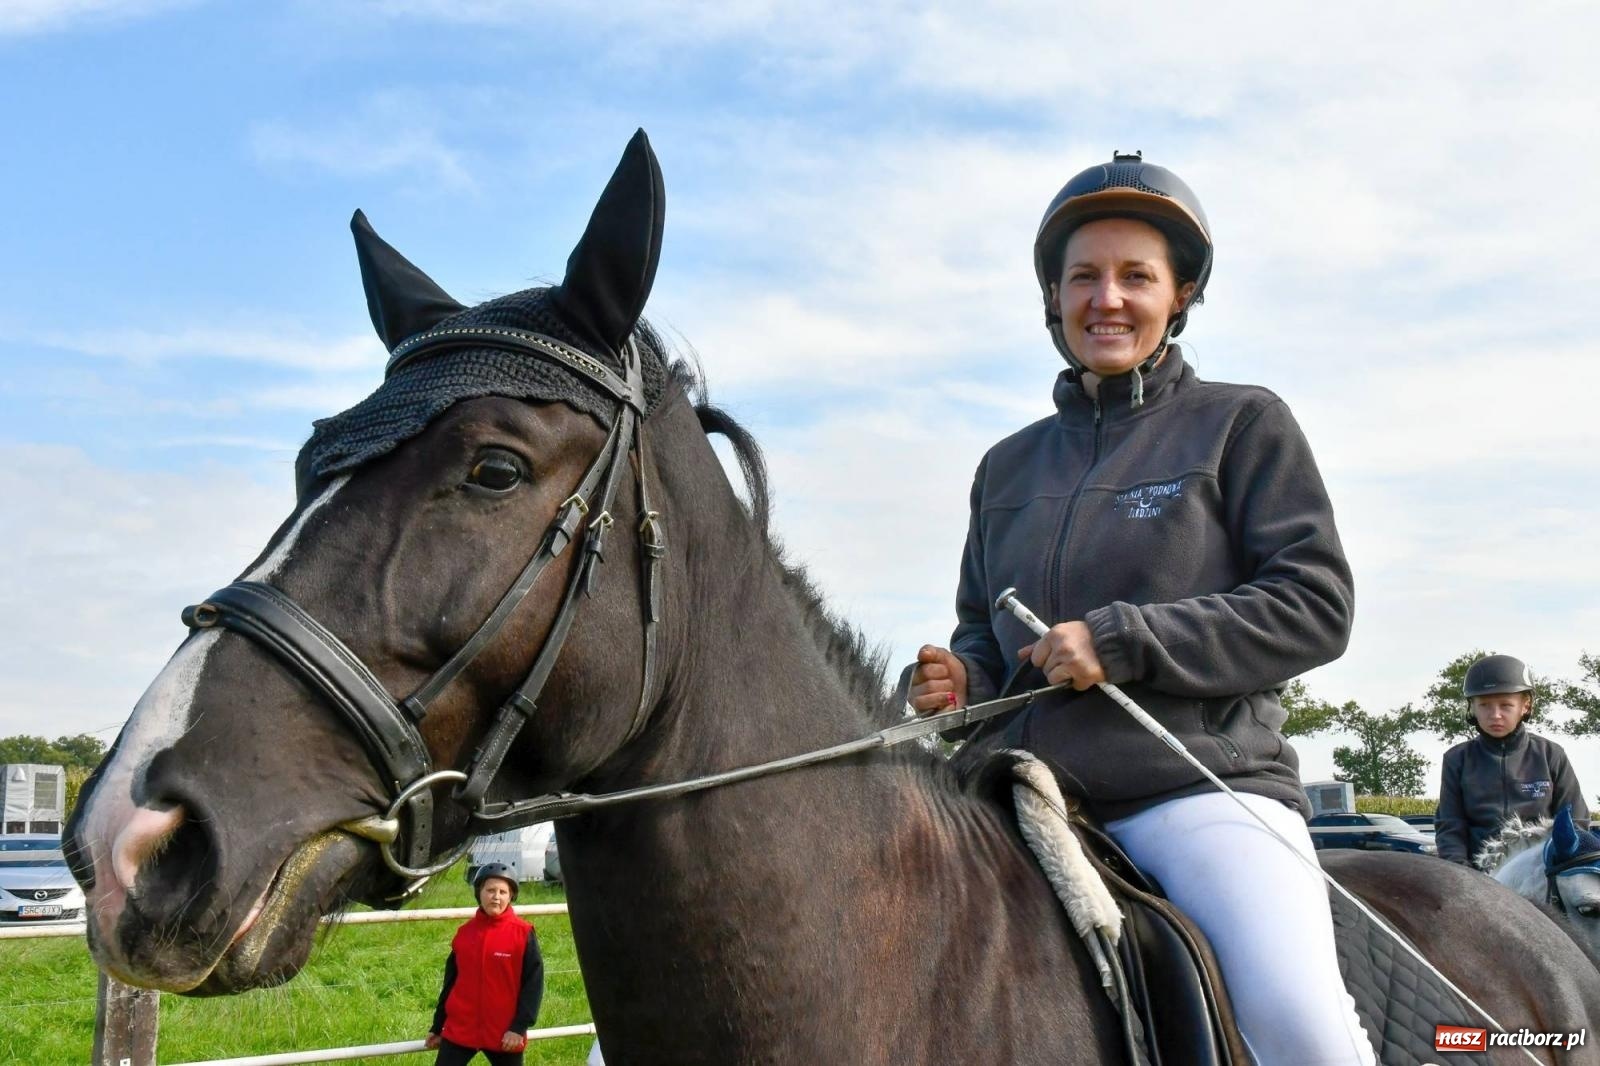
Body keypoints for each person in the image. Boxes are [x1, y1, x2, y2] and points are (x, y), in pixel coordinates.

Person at [906, 152, 1373, 1065]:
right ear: (1053, 297)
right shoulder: (1005, 466)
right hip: (1014, 799)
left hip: (1195, 791)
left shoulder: (1243, 423)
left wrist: (1125, 641)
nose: (1106, 298)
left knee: (1301, 1027)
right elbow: (985, 632)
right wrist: (961, 683)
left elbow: (1316, 605)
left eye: (1135, 277)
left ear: (1181, 294)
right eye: (1083, 277)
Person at [1435, 653, 1589, 866]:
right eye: (1485, 705)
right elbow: (1450, 825)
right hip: (1476, 874)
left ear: (1525, 706)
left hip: (1541, 871)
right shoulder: (1456, 759)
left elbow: (1576, 823)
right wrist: (1461, 870)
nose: (1495, 714)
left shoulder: (1551, 754)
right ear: (1472, 707)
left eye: (1506, 705)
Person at [425, 863, 544, 1066]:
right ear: (479, 893)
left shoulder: (523, 934)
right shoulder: (464, 933)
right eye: (490, 890)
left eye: (503, 892)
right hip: (461, 1030)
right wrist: (438, 1027)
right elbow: (450, 983)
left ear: (511, 896)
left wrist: (518, 1028)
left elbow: (534, 985)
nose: (496, 897)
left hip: (505, 1033)